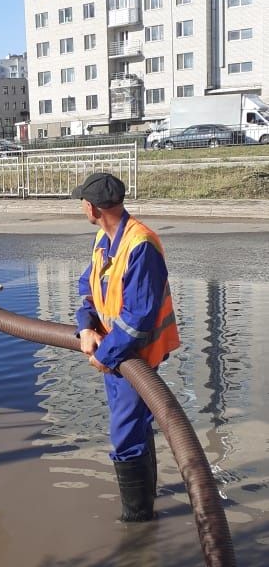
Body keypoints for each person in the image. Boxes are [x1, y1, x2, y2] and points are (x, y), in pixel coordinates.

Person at [72, 172, 180, 522]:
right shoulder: (105, 239)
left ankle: (137, 521)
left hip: (134, 356)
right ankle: (145, 505)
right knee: (135, 425)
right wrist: (85, 326)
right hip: (116, 351)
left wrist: (104, 355)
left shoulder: (140, 245)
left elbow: (139, 318)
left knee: (125, 435)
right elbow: (89, 288)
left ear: (92, 207)